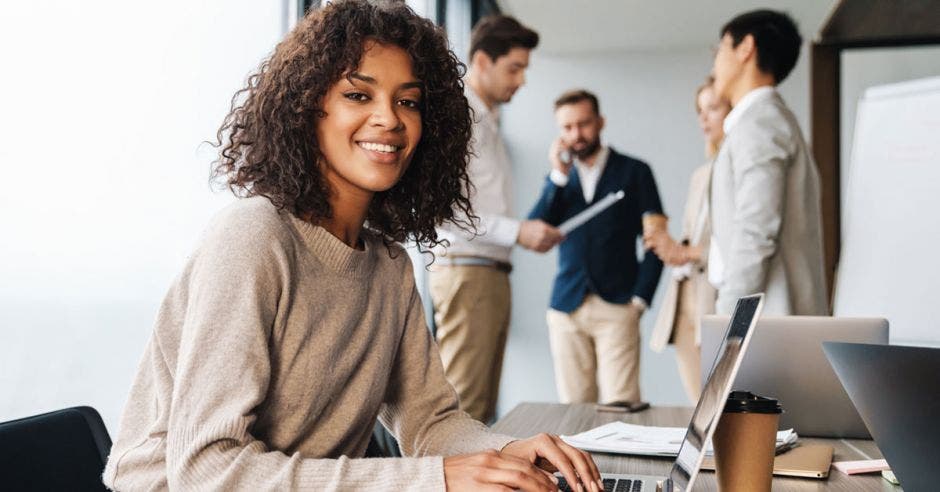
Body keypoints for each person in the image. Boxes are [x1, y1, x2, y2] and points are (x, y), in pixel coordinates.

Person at [102, 2, 603, 490]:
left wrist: (504, 453)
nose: (390, 118)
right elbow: (207, 472)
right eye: (358, 96)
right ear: (306, 106)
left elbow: (430, 423)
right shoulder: (252, 237)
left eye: (408, 101)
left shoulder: (389, 266)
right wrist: (435, 479)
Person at [429, 15, 561, 424]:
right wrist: (517, 231)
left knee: (479, 410)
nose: (521, 80)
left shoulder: (488, 120)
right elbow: (445, 211)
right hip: (469, 272)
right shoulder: (462, 117)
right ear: (482, 62)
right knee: (463, 410)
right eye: (514, 68)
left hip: (488, 272)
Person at [528, 89, 664, 405]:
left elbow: (656, 239)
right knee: (574, 408)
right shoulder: (559, 180)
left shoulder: (635, 171)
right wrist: (557, 178)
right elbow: (533, 231)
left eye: (584, 123)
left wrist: (640, 299)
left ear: (600, 122)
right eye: (567, 127)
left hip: (618, 305)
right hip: (566, 306)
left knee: (621, 405)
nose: (577, 134)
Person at [707, 9, 828, 316]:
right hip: (770, 316)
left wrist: (727, 313)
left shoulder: (760, 123)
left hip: (766, 319)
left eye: (719, 50)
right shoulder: (766, 120)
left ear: (746, 48)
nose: (715, 63)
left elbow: (757, 229)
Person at [646, 78, 730, 403]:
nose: (704, 119)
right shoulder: (701, 174)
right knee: (699, 407)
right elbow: (693, 239)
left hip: (716, 300)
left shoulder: (740, 172)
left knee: (722, 407)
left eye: (713, 108)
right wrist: (668, 246)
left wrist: (686, 251)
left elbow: (740, 245)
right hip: (684, 303)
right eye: (700, 111)